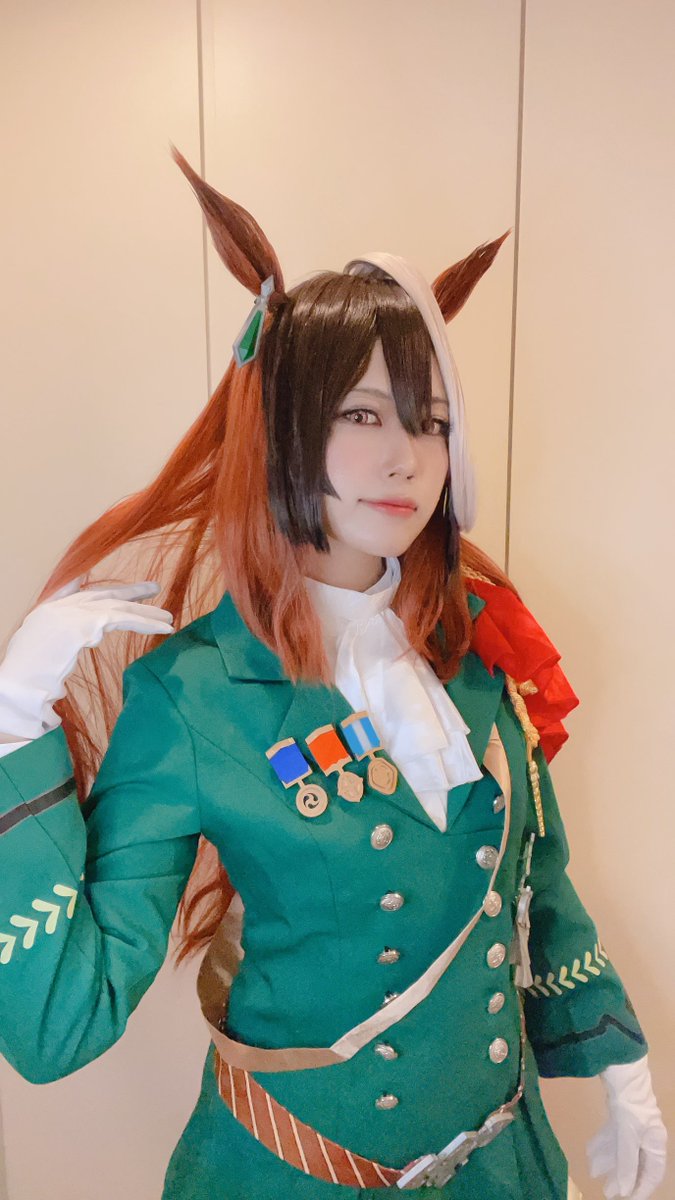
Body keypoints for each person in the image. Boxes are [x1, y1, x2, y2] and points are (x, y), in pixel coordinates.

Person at [0, 147, 666, 1200]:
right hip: (291, 1172)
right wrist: (12, 723)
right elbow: (57, 1026)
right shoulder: (193, 693)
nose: (406, 457)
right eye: (362, 415)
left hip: (501, 1161)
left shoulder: (470, 648)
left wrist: (619, 1064)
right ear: (284, 431)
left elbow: (532, 879)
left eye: (430, 421)